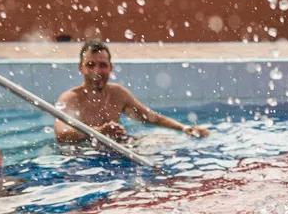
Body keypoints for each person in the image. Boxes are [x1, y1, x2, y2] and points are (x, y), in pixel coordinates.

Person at [54, 41, 211, 145]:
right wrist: (99, 131)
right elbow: (61, 134)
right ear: (80, 68)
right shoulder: (70, 99)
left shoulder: (117, 94)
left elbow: (150, 116)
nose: (97, 71)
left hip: (117, 150)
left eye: (102, 65)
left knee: (167, 142)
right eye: (90, 65)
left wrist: (184, 128)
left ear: (110, 68)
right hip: (82, 158)